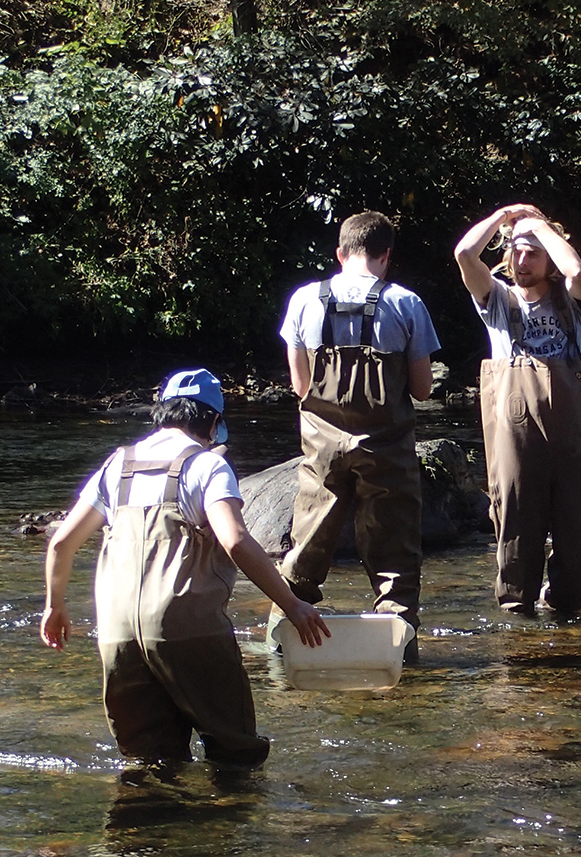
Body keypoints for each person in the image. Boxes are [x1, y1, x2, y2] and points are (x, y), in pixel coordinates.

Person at [41, 369, 330, 769]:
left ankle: (150, 830)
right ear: (212, 421)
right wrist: (292, 604)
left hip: (116, 634)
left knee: (149, 762)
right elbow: (235, 541)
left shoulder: (117, 466)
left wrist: (55, 607)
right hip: (187, 628)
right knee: (236, 755)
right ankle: (229, 826)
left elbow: (60, 543)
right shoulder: (205, 467)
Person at [275, 210, 440, 657]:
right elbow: (423, 390)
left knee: (307, 544)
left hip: (323, 447)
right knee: (394, 554)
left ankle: (280, 640)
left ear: (340, 253)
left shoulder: (304, 299)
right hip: (386, 448)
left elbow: (301, 387)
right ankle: (399, 649)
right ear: (386, 256)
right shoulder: (406, 303)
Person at [454, 203, 581, 617]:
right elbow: (465, 254)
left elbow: (577, 274)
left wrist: (539, 226)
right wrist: (505, 218)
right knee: (516, 529)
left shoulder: (573, 304)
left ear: (549, 258)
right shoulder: (497, 302)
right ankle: (517, 626)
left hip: (570, 439)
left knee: (577, 534)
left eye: (532, 251)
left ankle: (564, 615)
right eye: (516, 251)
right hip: (515, 435)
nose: (521, 259)